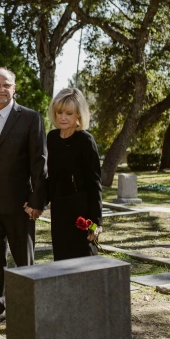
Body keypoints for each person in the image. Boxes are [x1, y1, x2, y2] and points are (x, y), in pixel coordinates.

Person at [0, 67, 47, 329]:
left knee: (24, 260)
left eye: (6, 85)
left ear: (15, 88)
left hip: (20, 205)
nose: (1, 89)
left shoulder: (30, 118)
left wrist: (37, 201)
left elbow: (40, 163)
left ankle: (28, 312)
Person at [42, 88, 103, 261]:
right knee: (61, 259)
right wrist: (37, 202)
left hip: (81, 212)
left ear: (79, 114)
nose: (63, 117)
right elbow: (50, 177)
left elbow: (94, 183)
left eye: (69, 113)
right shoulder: (52, 138)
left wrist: (96, 222)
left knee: (83, 259)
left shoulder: (85, 140)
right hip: (59, 210)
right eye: (59, 112)